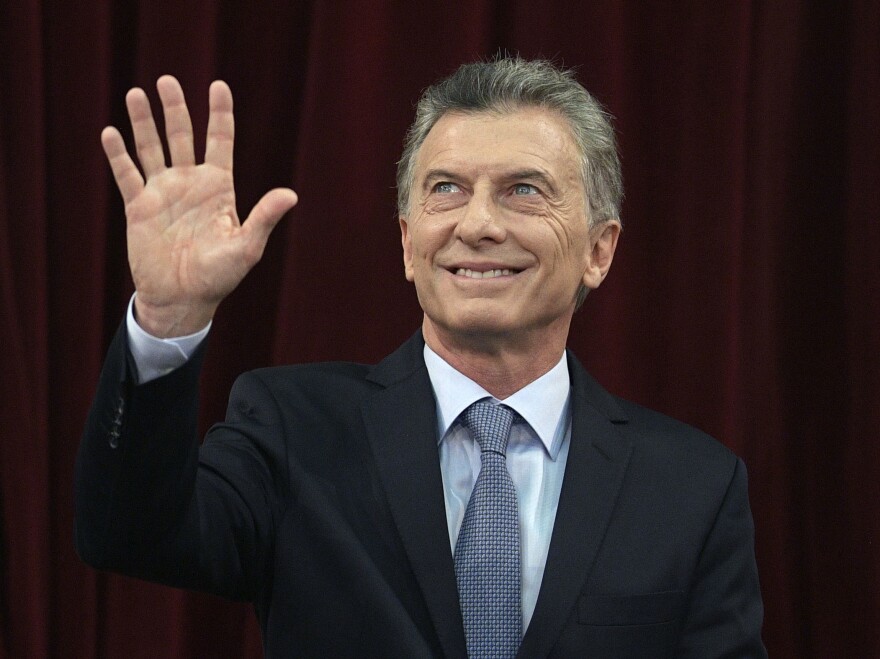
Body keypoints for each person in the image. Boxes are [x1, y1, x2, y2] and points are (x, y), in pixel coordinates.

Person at [75, 58, 767, 658]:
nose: (478, 223)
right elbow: (127, 533)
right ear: (409, 243)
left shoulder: (692, 490)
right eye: (446, 190)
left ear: (599, 249)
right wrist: (168, 320)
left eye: (524, 190)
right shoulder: (294, 430)